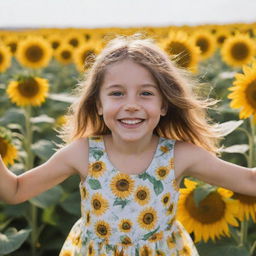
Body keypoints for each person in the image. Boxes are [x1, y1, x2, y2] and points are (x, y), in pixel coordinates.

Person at [0, 35, 255, 256]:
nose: (131, 104)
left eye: (146, 93)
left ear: (164, 105)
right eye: (117, 93)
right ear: (98, 104)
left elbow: (249, 182)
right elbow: (15, 191)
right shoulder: (84, 153)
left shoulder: (177, 155)